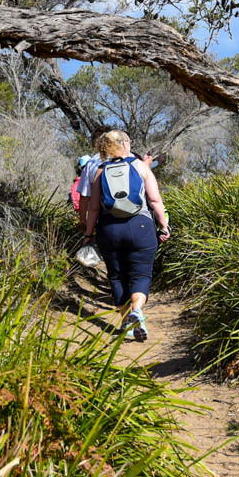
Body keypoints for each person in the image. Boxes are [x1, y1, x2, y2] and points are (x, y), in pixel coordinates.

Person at [81, 129, 170, 341]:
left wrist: (88, 234)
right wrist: (164, 226)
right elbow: (155, 201)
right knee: (141, 274)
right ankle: (137, 311)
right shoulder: (140, 166)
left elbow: (93, 208)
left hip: (109, 230)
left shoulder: (100, 171)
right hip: (141, 227)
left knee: (116, 275)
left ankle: (127, 321)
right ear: (124, 144)